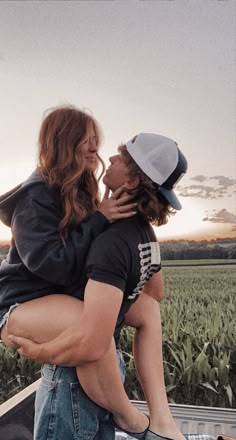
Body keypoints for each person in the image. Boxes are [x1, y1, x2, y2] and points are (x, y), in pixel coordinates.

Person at [1, 132, 198, 440]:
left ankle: (137, 422)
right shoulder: (140, 231)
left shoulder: (109, 240)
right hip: (101, 371)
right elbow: (154, 293)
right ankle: (162, 420)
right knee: (146, 310)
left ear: (131, 181)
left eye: (122, 155)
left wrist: (41, 350)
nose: (112, 157)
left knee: (92, 323)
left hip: (78, 377)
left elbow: (92, 340)